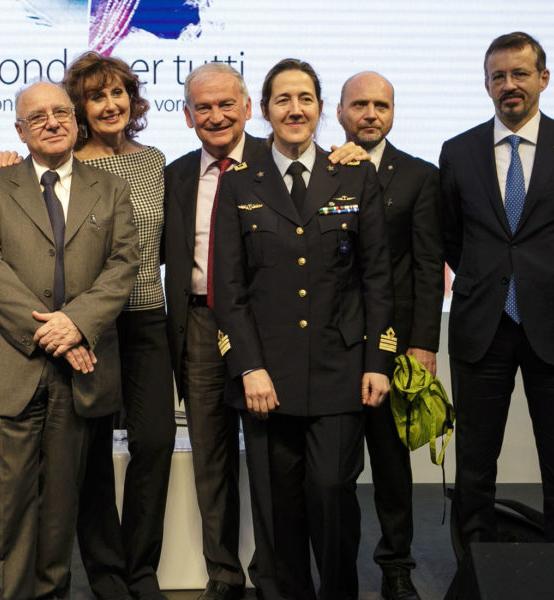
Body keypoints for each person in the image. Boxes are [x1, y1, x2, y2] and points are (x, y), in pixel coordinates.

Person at [440, 31, 554, 585]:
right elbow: (454, 238)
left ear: (543, 79)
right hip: (482, 327)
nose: (509, 85)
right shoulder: (459, 150)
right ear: (487, 83)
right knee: (475, 465)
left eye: (520, 74)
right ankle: (474, 573)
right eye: (498, 76)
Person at [212, 58, 394, 600]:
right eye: (283, 99)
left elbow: (377, 277)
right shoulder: (239, 181)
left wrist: (378, 362)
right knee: (277, 507)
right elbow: (229, 289)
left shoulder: (356, 174)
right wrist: (248, 366)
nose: (295, 109)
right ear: (262, 111)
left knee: (333, 493)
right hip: (267, 376)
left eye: (305, 98)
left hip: (341, 371)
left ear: (321, 109)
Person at [0, 81, 138, 600]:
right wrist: (51, 330)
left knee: (61, 506)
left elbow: (124, 263)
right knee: (3, 506)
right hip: (10, 362)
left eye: (60, 112)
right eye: (36, 117)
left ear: (76, 120)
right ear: (19, 129)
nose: (52, 122)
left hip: (81, 370)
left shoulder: (109, 189)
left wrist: (77, 322)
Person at [61, 51, 176, 600]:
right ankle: (107, 574)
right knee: (93, 452)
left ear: (132, 98)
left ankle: (141, 569)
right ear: (80, 107)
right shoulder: (67, 164)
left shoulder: (153, 161)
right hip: (90, 326)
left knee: (154, 442)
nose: (110, 104)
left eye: (118, 93)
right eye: (96, 96)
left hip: (148, 318)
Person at [336, 71, 443, 600]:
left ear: (394, 113)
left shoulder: (420, 177)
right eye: (360, 104)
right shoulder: (322, 171)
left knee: (391, 463)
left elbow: (429, 266)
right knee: (334, 465)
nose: (370, 114)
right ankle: (335, 567)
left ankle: (395, 564)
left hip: (393, 344)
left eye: (381, 105)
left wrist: (425, 342)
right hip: (329, 343)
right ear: (340, 113)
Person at [161, 62, 263, 600]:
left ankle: (275, 570)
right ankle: (224, 574)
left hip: (268, 327)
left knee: (272, 454)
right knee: (211, 455)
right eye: (204, 107)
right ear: (187, 116)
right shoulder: (174, 176)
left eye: (227, 104)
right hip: (199, 322)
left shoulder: (278, 162)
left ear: (248, 108)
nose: (217, 116)